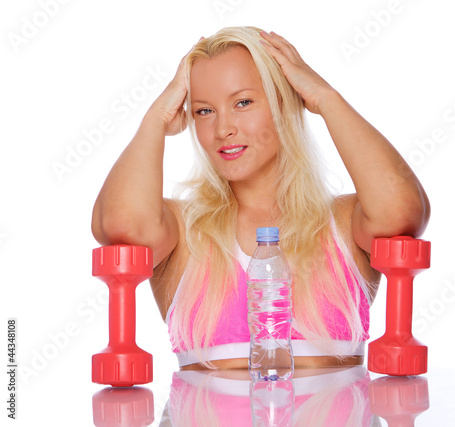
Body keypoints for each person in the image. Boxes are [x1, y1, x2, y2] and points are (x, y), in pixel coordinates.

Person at [91, 26, 430, 370]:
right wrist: (156, 119)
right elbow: (123, 227)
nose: (223, 129)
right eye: (203, 111)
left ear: (285, 102)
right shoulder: (182, 230)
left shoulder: (342, 221)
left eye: (243, 102)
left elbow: (401, 212)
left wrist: (325, 98)